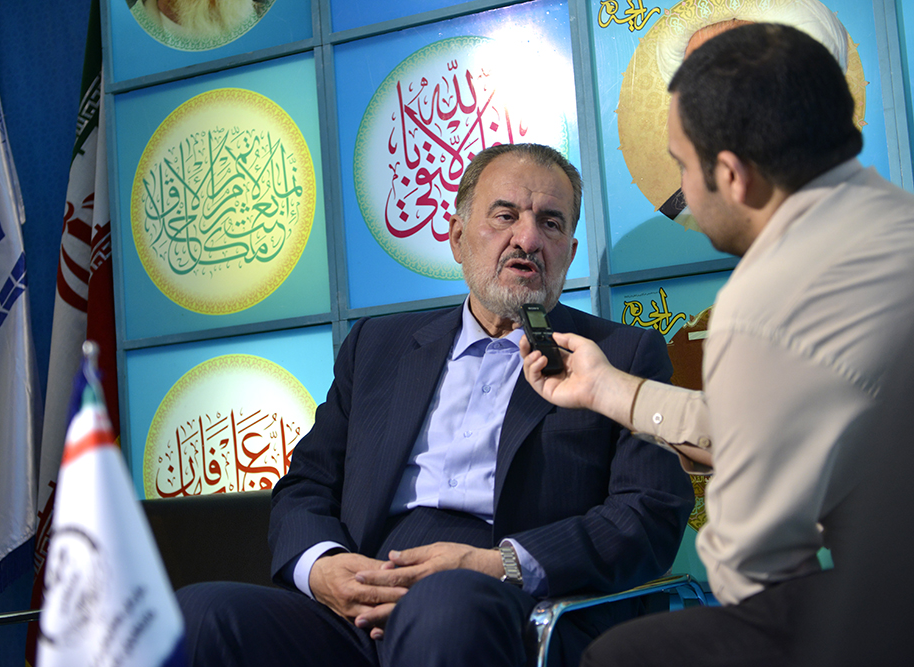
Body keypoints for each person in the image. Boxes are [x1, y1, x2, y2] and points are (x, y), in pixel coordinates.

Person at [176, 143, 694, 667]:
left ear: (569, 250)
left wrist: (497, 565)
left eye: (551, 223)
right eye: (505, 216)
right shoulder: (376, 346)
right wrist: (323, 567)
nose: (529, 239)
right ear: (457, 237)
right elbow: (307, 484)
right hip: (359, 598)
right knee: (199, 616)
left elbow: (647, 515)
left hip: (504, 607)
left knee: (446, 609)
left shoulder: (618, 357)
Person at [520, 23, 914, 666]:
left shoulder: (765, 304)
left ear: (730, 174)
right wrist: (609, 390)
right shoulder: (894, 219)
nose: (681, 197)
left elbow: (754, 570)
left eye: (681, 166)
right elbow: (779, 418)